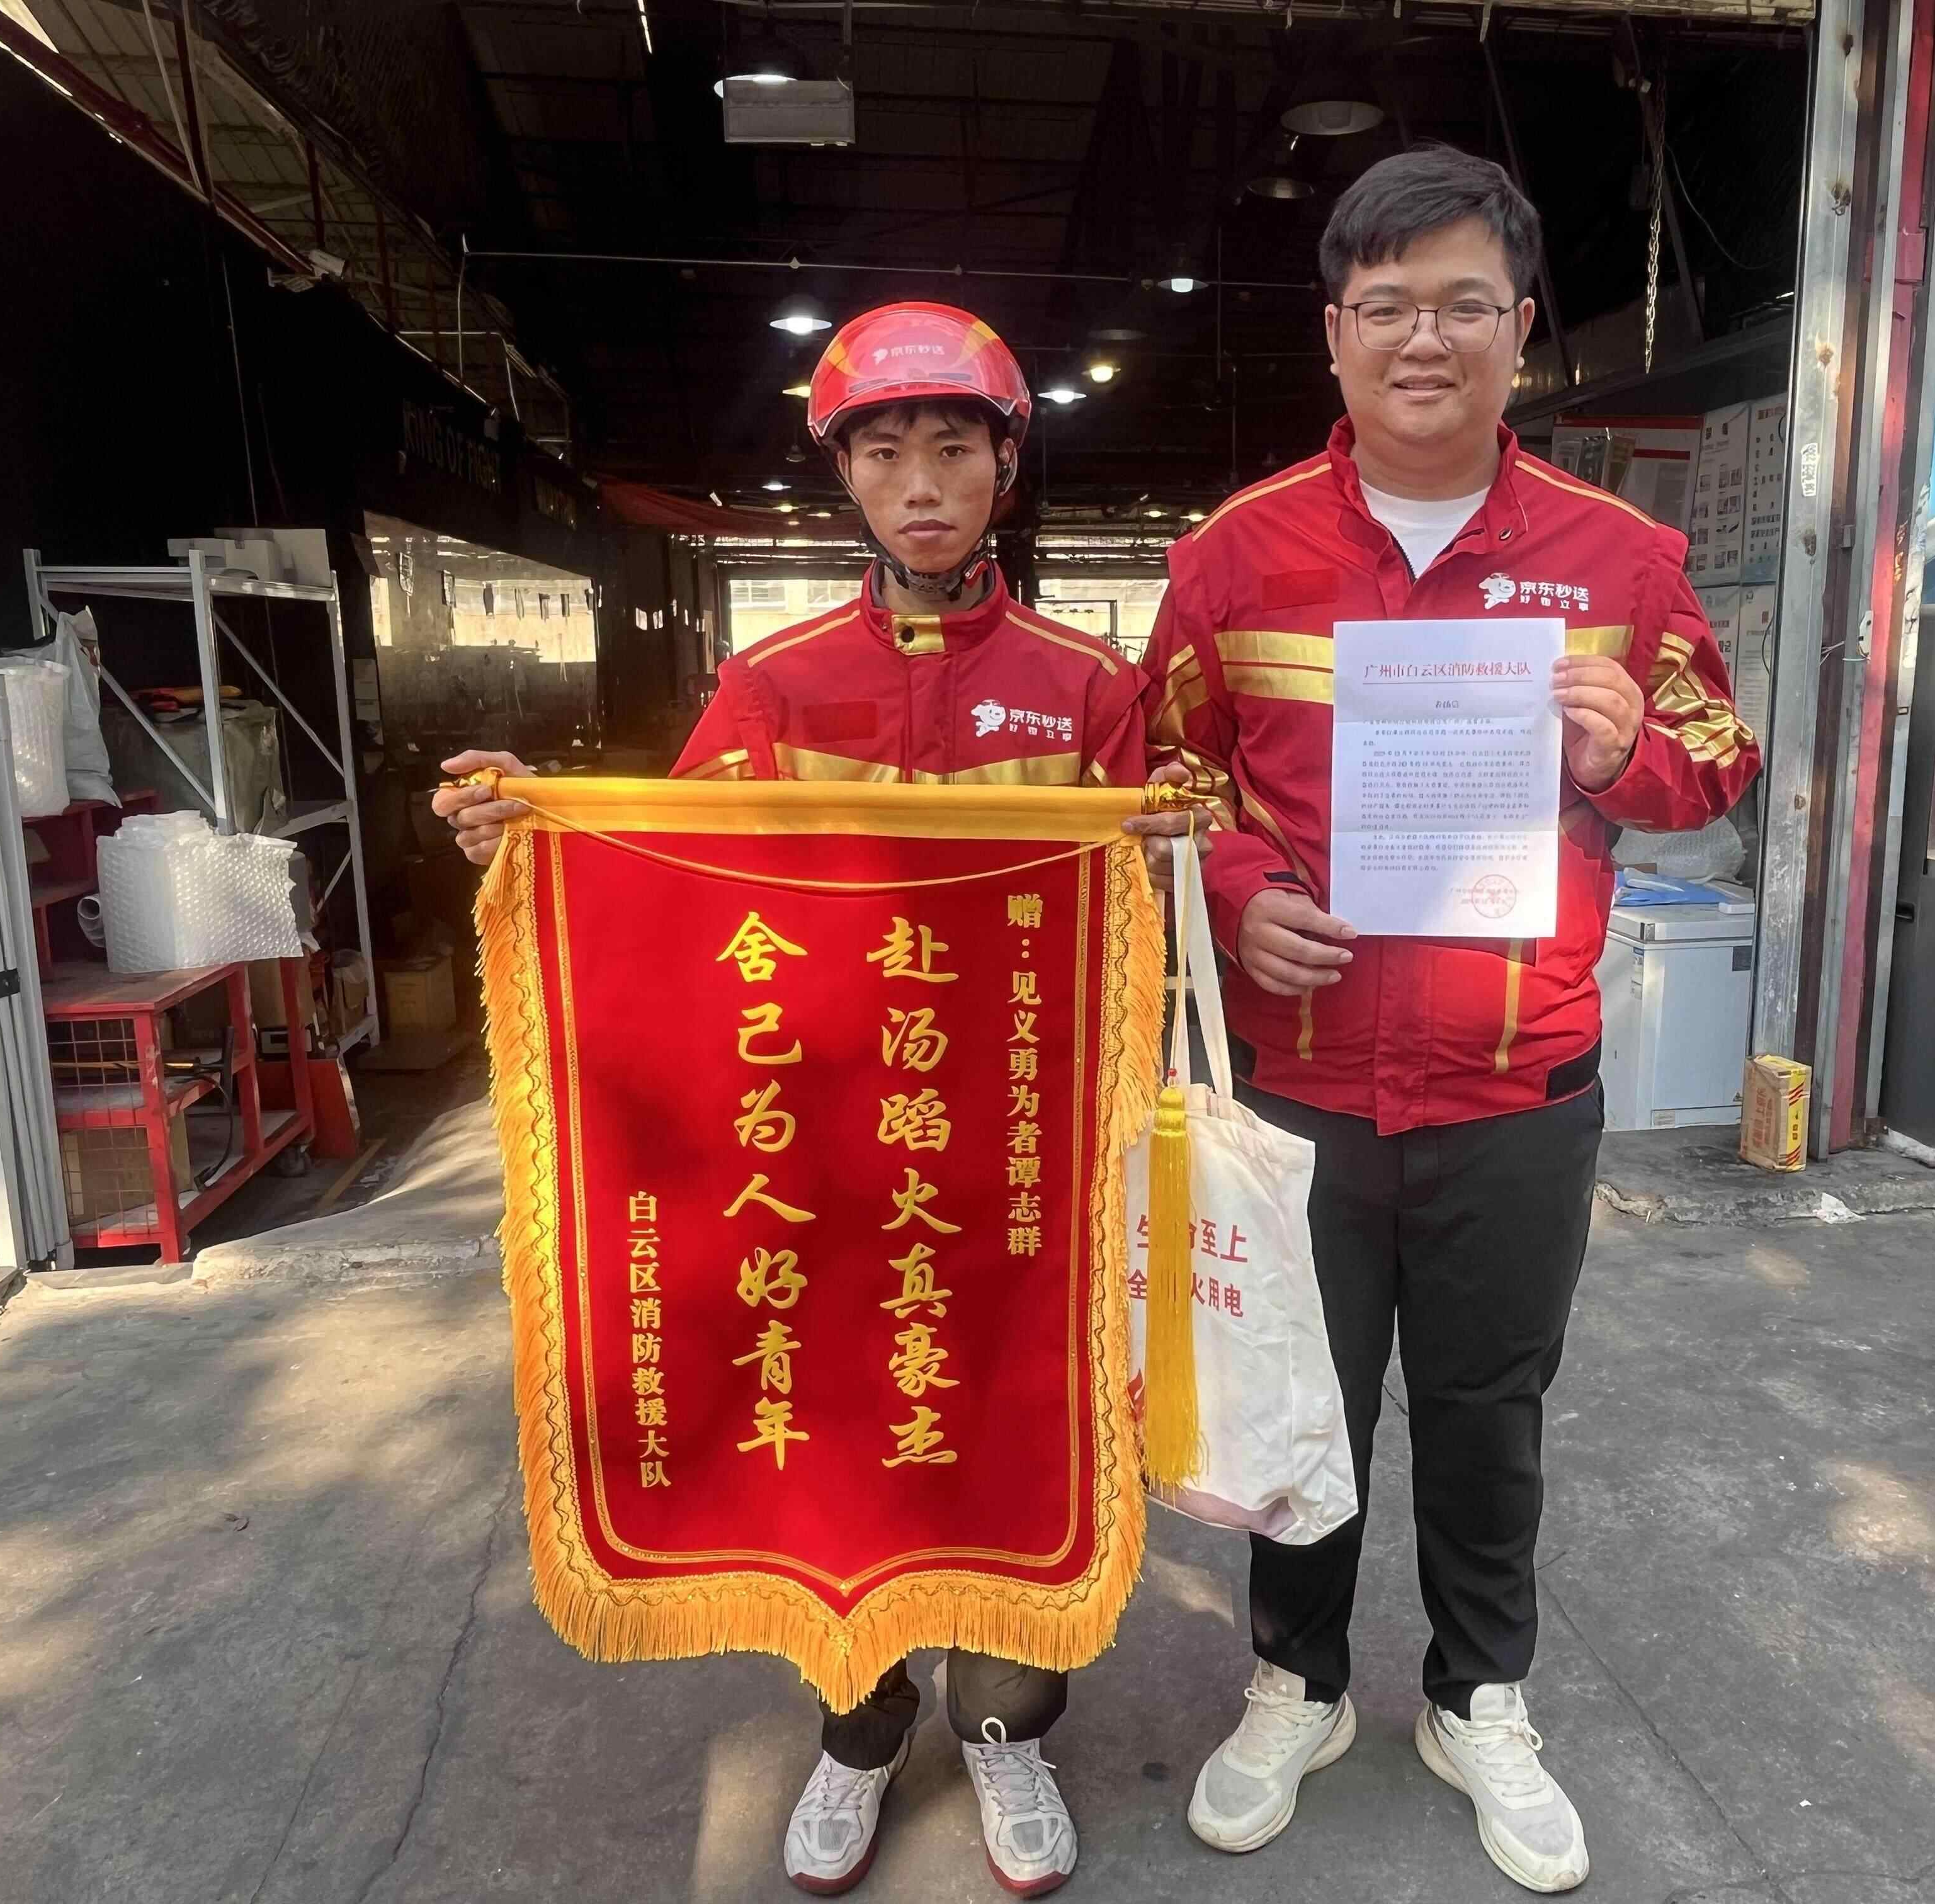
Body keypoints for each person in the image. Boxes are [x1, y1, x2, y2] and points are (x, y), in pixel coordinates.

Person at [433, 301, 1188, 1898]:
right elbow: (667, 880)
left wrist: (1176, 835)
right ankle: (859, 1730)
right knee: (841, 1441)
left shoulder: (1084, 687)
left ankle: (1009, 1729)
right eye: (885, 452)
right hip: (825, 1163)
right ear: (844, 477)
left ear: (1003, 468)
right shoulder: (771, 684)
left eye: (954, 449)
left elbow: (1145, 912)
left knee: (1018, 1433)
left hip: (1022, 1164)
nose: (922, 484)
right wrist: (532, 832)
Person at [1145, 147, 1761, 1893]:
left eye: (1466, 305)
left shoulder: (1620, 558)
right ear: (1336, 334)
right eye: (1390, 305)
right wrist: (1238, 888)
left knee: (1492, 1409)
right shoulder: (1235, 556)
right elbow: (1166, 771)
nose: (1428, 338)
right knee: (1302, 1408)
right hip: (1304, 1085)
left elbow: (1718, 759)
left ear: (1521, 328)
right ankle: (1298, 1684)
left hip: (1517, 1085)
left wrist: (1623, 751)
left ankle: (1480, 1698)